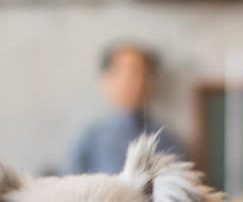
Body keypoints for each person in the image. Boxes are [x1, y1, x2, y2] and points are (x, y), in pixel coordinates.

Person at [64, 42, 186, 175]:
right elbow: (71, 183)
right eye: (126, 72)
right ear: (106, 80)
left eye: (143, 73)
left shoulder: (165, 137)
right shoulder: (90, 138)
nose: (136, 81)